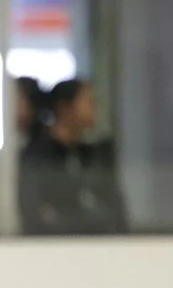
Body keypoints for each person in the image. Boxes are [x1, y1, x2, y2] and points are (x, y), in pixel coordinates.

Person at [18, 77, 127, 235]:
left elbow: (115, 209)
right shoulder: (37, 157)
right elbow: (38, 215)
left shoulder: (94, 155)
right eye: (89, 102)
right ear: (65, 108)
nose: (95, 110)